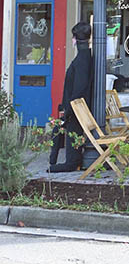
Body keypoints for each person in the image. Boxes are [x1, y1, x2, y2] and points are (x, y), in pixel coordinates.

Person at [48, 22, 93, 173]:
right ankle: (53, 160)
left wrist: (70, 108)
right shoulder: (85, 56)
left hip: (76, 107)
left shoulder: (82, 59)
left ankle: (69, 162)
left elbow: (80, 86)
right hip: (74, 105)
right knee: (58, 127)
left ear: (76, 38)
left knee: (63, 128)